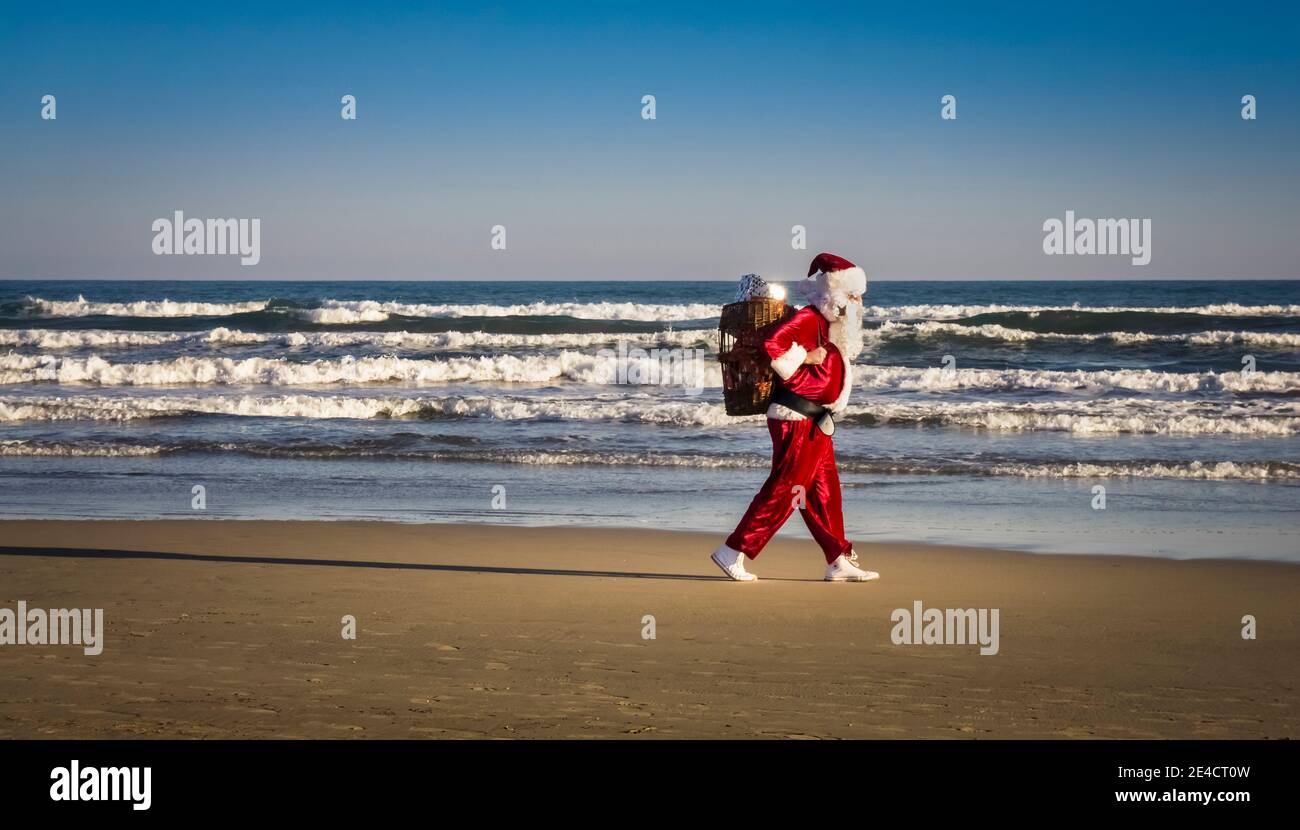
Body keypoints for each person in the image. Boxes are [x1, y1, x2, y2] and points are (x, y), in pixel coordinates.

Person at [710, 252, 880, 583]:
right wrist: (804, 356)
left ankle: (838, 560)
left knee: (825, 492)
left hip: (815, 421)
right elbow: (771, 343)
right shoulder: (809, 319)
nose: (858, 302)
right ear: (835, 294)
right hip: (795, 419)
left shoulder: (831, 326)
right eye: (853, 294)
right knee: (786, 489)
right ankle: (732, 551)